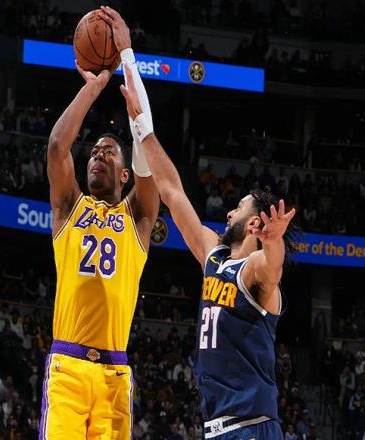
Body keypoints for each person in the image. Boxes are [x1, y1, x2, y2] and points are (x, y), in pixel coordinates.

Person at [119, 37, 297, 440]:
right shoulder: (213, 256)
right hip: (217, 427)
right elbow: (171, 191)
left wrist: (274, 241)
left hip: (252, 427)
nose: (229, 212)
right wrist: (142, 127)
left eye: (239, 208)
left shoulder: (255, 272)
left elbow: (272, 268)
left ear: (255, 224)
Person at [39, 7, 159, 439]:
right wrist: (91, 89)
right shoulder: (69, 208)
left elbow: (147, 144)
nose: (97, 155)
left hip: (113, 373)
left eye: (109, 151)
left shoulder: (137, 217)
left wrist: (126, 55)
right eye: (94, 151)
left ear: (126, 175)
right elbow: (58, 146)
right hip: (68, 367)